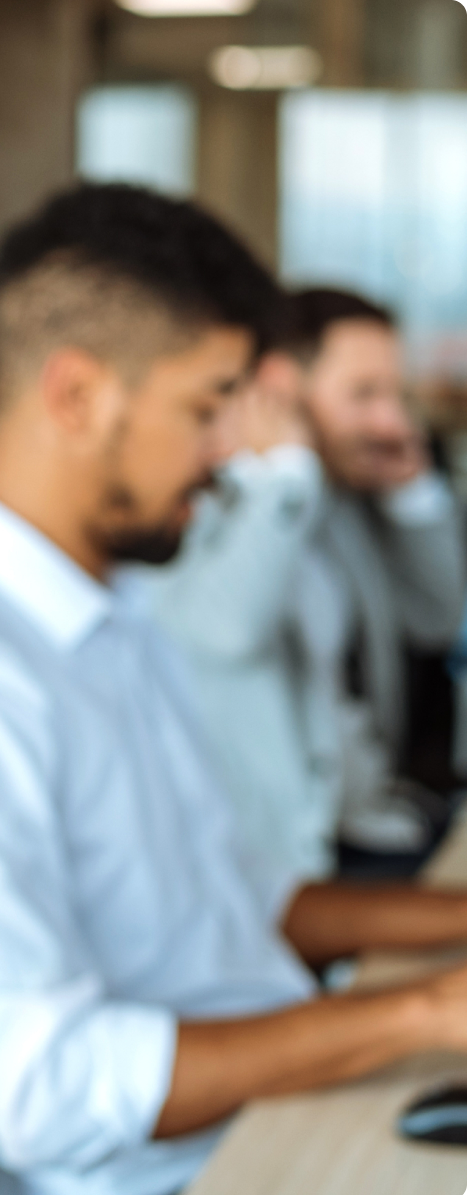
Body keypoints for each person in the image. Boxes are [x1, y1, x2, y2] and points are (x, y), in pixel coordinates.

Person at [0, 184, 467, 1195]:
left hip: (267, 1105)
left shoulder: (112, 611)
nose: (233, 454)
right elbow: (48, 1091)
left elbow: (242, 902)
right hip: (174, 1176)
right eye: (210, 408)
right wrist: (425, 1014)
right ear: (76, 395)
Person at [141, 288, 466, 878]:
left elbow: (440, 616)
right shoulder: (211, 501)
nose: (392, 422)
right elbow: (226, 631)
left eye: (398, 395)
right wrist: (287, 473)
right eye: (365, 395)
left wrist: (413, 493)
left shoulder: (344, 500)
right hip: (284, 868)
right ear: (280, 387)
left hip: (380, 821)